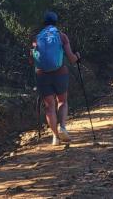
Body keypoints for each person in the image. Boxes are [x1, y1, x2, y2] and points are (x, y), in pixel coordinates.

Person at [30, 11, 80, 146]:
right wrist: (77, 56)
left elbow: (32, 60)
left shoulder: (36, 38)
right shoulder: (61, 36)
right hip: (60, 73)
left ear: (44, 23)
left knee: (49, 107)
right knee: (62, 101)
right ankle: (62, 127)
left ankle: (55, 137)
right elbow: (71, 58)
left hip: (41, 75)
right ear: (56, 22)